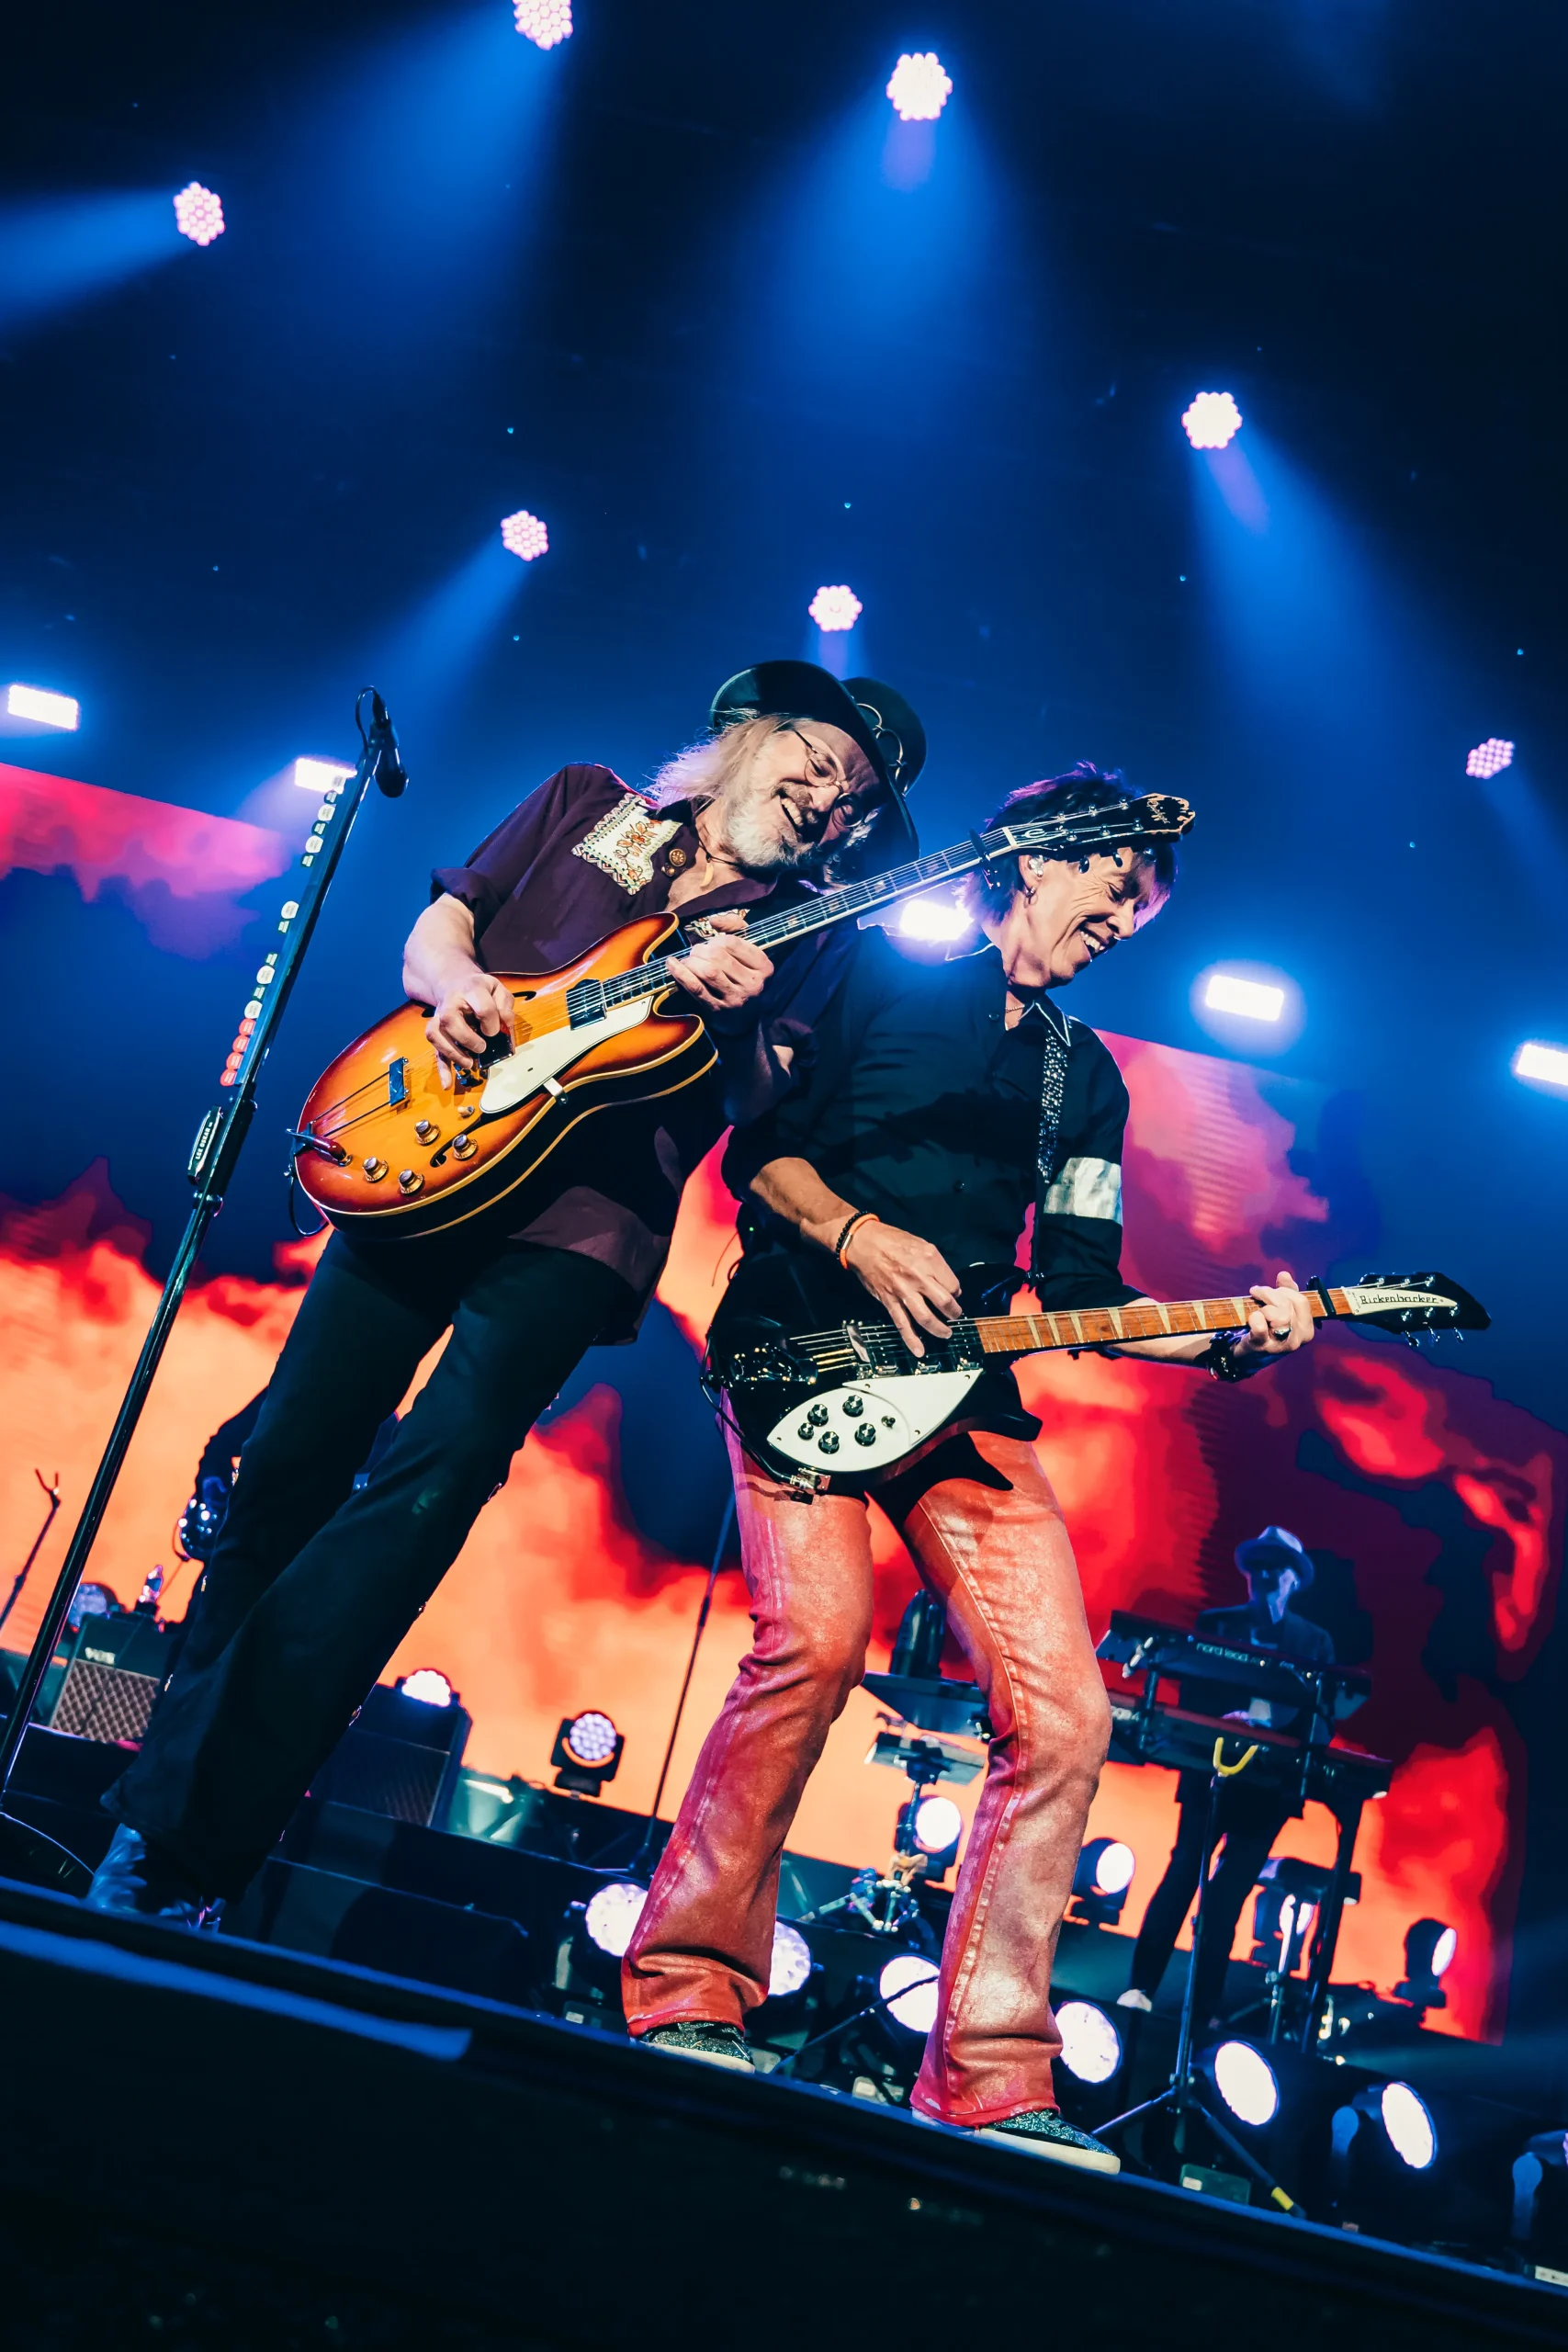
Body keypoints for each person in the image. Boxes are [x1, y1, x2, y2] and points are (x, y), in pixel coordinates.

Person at [87, 660, 925, 1927]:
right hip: (422, 1158)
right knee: (282, 1484)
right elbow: (439, 931)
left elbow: (759, 1105)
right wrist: (459, 993)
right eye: (818, 761)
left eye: (852, 800)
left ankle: (182, 1855)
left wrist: (741, 1025)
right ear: (753, 737)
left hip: (579, 1229)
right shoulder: (592, 803)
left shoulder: (812, 932)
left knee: (415, 1507)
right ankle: (164, 1841)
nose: (826, 800)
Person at [620, 763, 1318, 2174]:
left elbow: (1083, 1287)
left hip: (963, 1402)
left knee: (1063, 1718)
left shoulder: (1085, 1076)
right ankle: (686, 1990)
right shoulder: (873, 978)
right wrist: (861, 1237)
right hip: (800, 1356)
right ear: (1037, 859)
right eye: (1111, 887)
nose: (1119, 920)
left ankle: (992, 2078)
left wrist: (1229, 1342)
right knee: (810, 1647)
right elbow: (758, 1157)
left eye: (1141, 912)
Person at [1118, 1524, 1336, 2038]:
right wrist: (1228, 1720)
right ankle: (1140, 1989)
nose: (1265, 1574)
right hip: (1209, 1771)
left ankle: (1202, 2011)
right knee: (1181, 1875)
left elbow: (1323, 1717)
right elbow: (1194, 1689)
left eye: (1276, 1566)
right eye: (1258, 1565)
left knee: (1226, 1898)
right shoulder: (1216, 1624)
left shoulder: (1314, 1642)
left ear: (1294, 1579)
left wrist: (1268, 1725)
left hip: (1269, 1788)